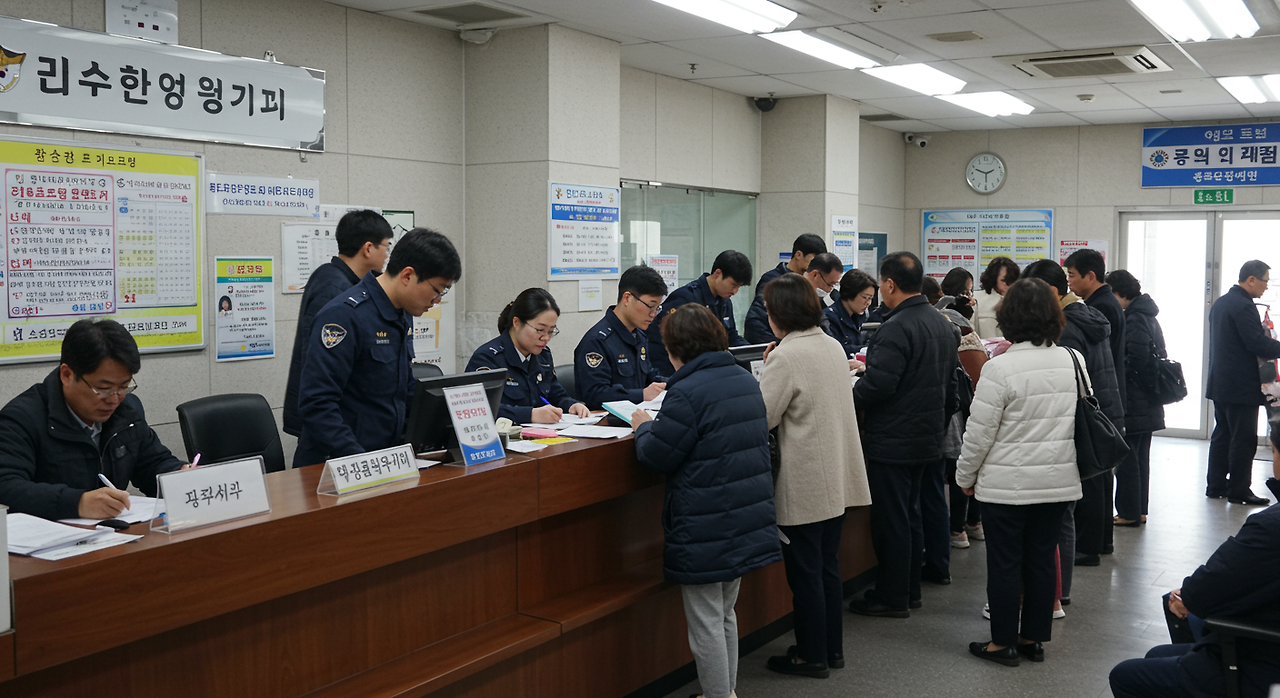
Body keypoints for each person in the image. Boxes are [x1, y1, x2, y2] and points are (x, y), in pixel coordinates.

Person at [631, 304, 782, 698]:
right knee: (724, 614)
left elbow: (657, 456)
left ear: (676, 348)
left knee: (705, 623)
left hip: (706, 522)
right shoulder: (743, 378)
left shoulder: (687, 392)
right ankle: (725, 691)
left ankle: (719, 696)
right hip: (745, 514)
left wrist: (643, 428)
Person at [956, 278, 1083, 667]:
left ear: (1008, 316)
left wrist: (964, 478)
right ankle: (1033, 639)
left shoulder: (1000, 368)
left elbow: (978, 434)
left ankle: (1002, 644)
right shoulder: (1073, 359)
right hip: (1058, 482)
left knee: (1006, 563)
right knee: (1042, 559)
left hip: (1005, 488)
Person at [757, 273, 870, 678]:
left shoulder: (786, 356)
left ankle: (811, 656)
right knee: (826, 568)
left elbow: (763, 417)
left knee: (805, 575)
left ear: (778, 313)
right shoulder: (830, 344)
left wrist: (768, 367)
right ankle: (830, 649)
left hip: (804, 481)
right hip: (835, 477)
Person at [849, 252, 959, 617]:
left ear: (890, 284)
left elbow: (879, 385)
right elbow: (951, 390)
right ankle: (909, 589)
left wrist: (846, 398)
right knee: (911, 517)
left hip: (894, 441)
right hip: (927, 438)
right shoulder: (941, 323)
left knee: (892, 521)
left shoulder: (895, 328)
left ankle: (893, 596)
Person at [293, 228, 460, 468]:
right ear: (407, 275)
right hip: (339, 466)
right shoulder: (344, 316)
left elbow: (403, 391)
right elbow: (317, 403)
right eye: (436, 290)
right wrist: (363, 463)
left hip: (384, 461)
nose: (436, 301)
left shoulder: (399, 314)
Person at [0, 318, 185, 520]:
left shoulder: (126, 412)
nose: (114, 399)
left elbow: (153, 465)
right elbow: (7, 486)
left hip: (113, 538)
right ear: (67, 374)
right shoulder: (22, 419)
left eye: (123, 386)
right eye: (103, 389)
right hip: (49, 543)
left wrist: (181, 476)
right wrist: (78, 503)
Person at [1108, 503, 1280, 697]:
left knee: (1125, 676)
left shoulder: (1272, 525)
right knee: (1158, 652)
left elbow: (1205, 591)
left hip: (1264, 664)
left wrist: (1189, 597)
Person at [1022, 259, 1122, 573]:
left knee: (1086, 481)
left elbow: (1065, 376)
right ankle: (1101, 542)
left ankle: (1086, 548)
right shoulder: (1087, 312)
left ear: (1050, 291)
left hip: (1084, 409)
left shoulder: (1066, 323)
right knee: (1100, 478)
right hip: (1103, 405)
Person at [284, 210, 394, 438]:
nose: (387, 254)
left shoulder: (334, 277)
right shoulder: (335, 288)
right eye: (386, 246)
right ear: (368, 248)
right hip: (327, 420)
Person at [1206, 260, 1280, 505]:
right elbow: (1255, 343)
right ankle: (1239, 489)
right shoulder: (1243, 305)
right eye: (1265, 281)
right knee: (1244, 439)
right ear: (1251, 279)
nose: (1266, 287)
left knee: (1223, 434)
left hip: (1221, 383)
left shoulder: (1222, 303)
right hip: (1241, 386)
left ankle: (1216, 485)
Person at [466, 288, 589, 424]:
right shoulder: (488, 358)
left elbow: (555, 394)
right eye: (540, 330)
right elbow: (478, 410)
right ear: (517, 323)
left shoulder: (543, 356)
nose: (546, 338)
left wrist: (572, 405)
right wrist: (530, 415)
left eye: (551, 331)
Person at [1106, 269, 1166, 526]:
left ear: (1121, 293)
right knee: (1140, 457)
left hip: (1135, 399)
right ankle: (1138, 510)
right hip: (1147, 400)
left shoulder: (1134, 318)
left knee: (1129, 460)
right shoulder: (1145, 314)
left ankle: (1129, 512)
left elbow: (1137, 360)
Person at [574, 264, 668, 409]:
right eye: (650, 306)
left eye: (658, 308)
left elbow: (650, 377)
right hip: (605, 425)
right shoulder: (597, 341)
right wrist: (641, 395)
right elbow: (594, 395)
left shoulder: (639, 336)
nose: (653, 314)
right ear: (627, 298)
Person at [646, 250, 751, 376]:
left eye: (739, 287)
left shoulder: (725, 302)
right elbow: (662, 341)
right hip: (676, 372)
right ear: (717, 274)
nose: (735, 291)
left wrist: (753, 351)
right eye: (733, 285)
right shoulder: (685, 298)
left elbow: (731, 336)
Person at [745, 234, 826, 344]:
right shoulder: (773, 280)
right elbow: (756, 321)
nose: (816, 266)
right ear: (798, 255)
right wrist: (779, 346)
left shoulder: (805, 282)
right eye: (813, 260)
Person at [824, 268, 880, 358]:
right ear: (849, 293)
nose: (868, 303)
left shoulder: (859, 316)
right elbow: (836, 351)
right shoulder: (829, 319)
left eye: (870, 298)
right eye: (865, 297)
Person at [975, 257, 1019, 339]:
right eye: (1003, 280)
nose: (1007, 284)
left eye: (1012, 280)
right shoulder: (976, 300)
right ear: (993, 278)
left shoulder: (1020, 302)